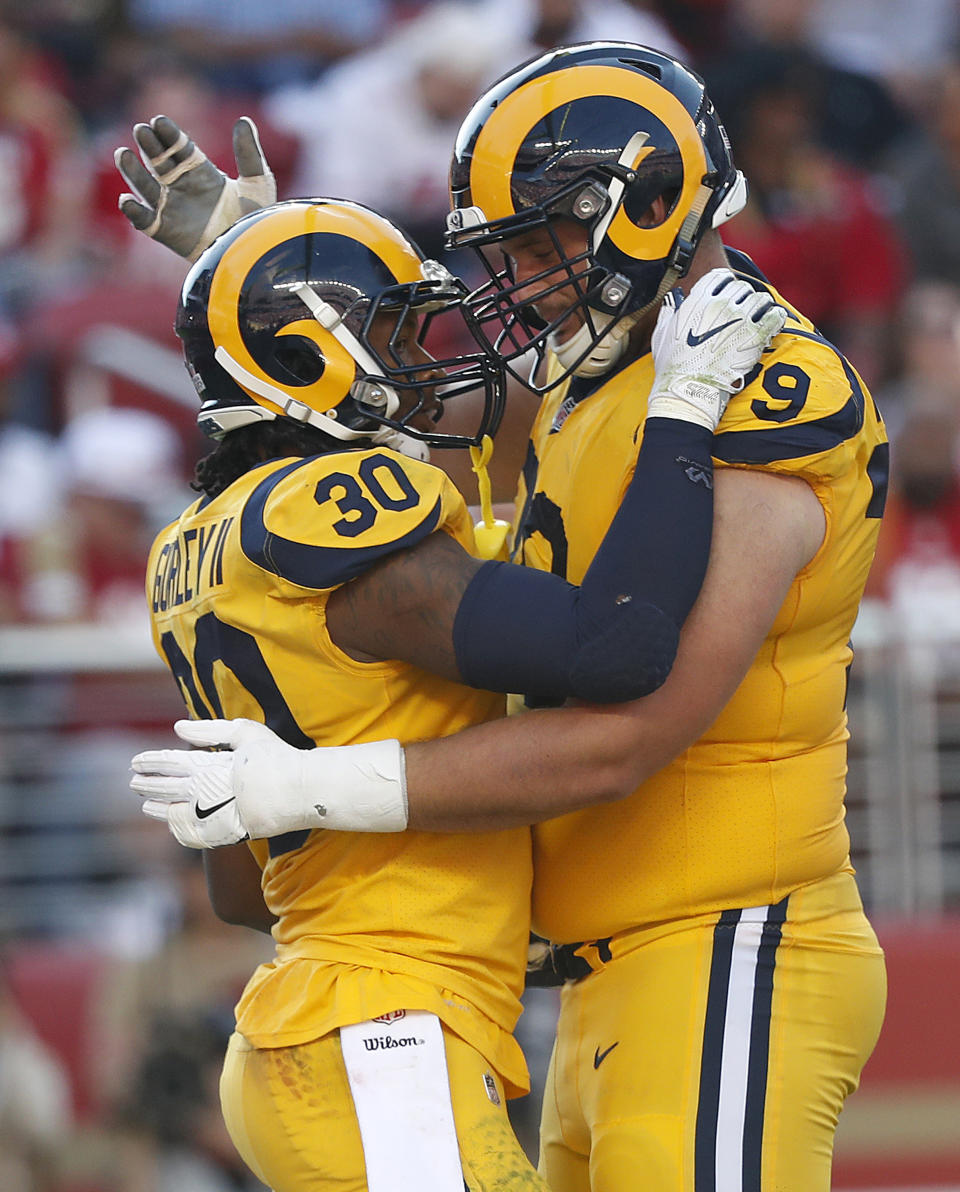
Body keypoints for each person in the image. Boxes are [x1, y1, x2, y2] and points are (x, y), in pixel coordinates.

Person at [126, 42, 882, 1190]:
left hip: (726, 935)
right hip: (585, 977)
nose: (515, 280)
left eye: (539, 242)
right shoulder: (602, 376)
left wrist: (310, 785)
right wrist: (258, 277)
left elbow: (628, 719)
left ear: (640, 206)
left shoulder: (759, 377)